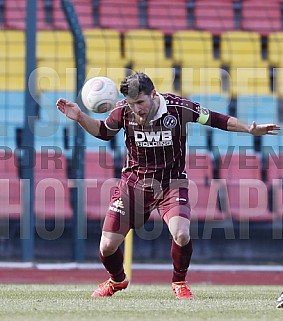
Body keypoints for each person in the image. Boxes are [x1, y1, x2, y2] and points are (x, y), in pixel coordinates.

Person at [56, 72, 280, 299]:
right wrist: (80, 117)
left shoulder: (178, 108)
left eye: (141, 102)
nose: (137, 109)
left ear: (153, 95)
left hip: (171, 184)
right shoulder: (123, 110)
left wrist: (249, 130)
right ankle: (117, 280)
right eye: (133, 104)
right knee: (107, 247)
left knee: (181, 233)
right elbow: (104, 132)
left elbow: (216, 119)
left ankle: (179, 282)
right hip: (134, 184)